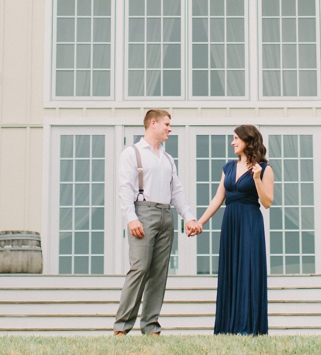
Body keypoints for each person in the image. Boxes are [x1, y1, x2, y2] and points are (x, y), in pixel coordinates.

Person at [114, 108, 199, 336]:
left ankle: (151, 326)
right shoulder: (132, 153)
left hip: (165, 215)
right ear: (153, 123)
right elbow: (125, 189)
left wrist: (188, 217)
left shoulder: (168, 159)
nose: (169, 129)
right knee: (140, 268)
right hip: (143, 212)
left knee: (159, 272)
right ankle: (122, 326)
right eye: (167, 124)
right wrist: (131, 218)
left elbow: (177, 192)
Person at [195, 124, 274, 335]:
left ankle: (248, 327)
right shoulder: (228, 167)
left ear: (248, 140)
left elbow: (267, 202)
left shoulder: (265, 168)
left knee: (248, 270)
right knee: (231, 271)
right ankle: (227, 328)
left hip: (250, 221)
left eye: (236, 138)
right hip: (230, 222)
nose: (232, 142)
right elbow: (218, 199)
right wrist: (200, 222)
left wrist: (256, 178)